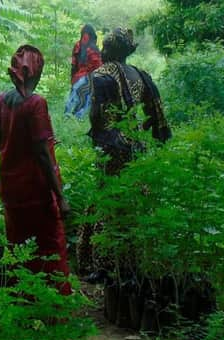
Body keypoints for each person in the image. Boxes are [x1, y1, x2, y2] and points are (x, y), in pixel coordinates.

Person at [77, 28, 171, 275]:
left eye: (105, 48)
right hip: (137, 144)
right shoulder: (141, 75)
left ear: (109, 50)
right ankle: (134, 261)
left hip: (112, 148)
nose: (102, 51)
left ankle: (102, 265)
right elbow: (158, 115)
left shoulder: (101, 75)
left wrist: (101, 144)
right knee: (132, 201)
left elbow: (99, 117)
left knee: (107, 200)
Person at [0, 45, 71, 295]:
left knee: (18, 244)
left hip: (11, 189)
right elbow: (43, 154)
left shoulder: (1, 100)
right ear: (37, 72)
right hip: (36, 189)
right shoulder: (36, 104)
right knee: (49, 244)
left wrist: (13, 141)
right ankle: (53, 304)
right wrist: (61, 196)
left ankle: (21, 298)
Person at [64, 24, 102, 119]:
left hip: (79, 76)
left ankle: (68, 115)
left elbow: (74, 63)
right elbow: (98, 66)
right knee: (86, 97)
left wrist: (73, 77)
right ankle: (76, 116)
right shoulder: (93, 48)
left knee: (75, 95)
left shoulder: (78, 45)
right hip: (89, 77)